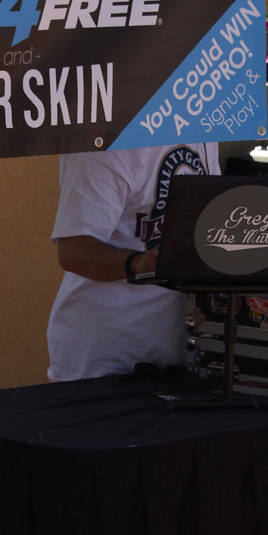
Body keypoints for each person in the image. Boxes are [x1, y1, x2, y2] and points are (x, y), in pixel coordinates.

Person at [46, 141, 219, 380]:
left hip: (179, 358)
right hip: (109, 360)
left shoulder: (208, 128)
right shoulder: (109, 141)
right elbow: (74, 251)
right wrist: (139, 263)